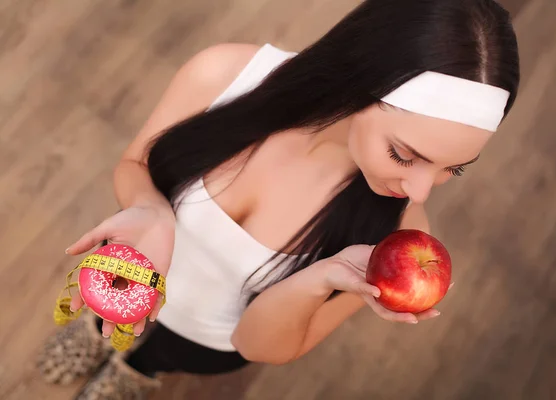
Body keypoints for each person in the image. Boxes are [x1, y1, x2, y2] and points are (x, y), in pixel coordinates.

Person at [37, 0, 520, 398]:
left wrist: (323, 277)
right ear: (361, 80)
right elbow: (135, 165)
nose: (417, 192)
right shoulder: (225, 75)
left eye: (453, 169)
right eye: (402, 154)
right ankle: (95, 334)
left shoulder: (396, 238)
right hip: (128, 276)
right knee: (105, 316)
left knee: (164, 354)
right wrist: (151, 210)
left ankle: (138, 371)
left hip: (209, 338)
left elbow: (257, 345)